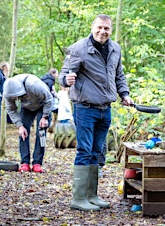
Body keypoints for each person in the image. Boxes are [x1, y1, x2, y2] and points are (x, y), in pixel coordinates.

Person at [58, 14, 133, 211]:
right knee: (84, 150)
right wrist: (67, 80)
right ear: (93, 27)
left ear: (111, 30)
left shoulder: (115, 48)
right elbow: (63, 74)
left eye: (106, 28)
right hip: (85, 108)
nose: (102, 31)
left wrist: (124, 94)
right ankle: (78, 198)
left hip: (105, 108)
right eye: (99, 27)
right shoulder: (78, 49)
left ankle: (92, 195)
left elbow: (119, 75)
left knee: (98, 152)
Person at [3, 74, 53, 173]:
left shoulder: (34, 85)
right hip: (26, 108)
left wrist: (45, 117)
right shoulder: (8, 93)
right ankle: (24, 163)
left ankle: (37, 163)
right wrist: (19, 126)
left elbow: (49, 99)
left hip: (43, 106)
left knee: (41, 132)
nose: (15, 99)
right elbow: (11, 110)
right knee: (23, 133)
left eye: (16, 97)